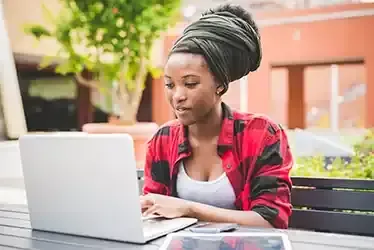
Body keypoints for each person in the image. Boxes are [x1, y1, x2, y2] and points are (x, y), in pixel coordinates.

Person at [140, 3, 293, 229]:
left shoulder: (262, 134)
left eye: (190, 84)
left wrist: (189, 208)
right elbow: (152, 212)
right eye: (169, 85)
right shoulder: (163, 140)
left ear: (220, 85)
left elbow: (271, 220)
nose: (177, 96)